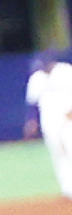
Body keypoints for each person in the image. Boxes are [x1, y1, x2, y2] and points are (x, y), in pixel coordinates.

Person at [25, 48, 72, 200]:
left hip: (68, 118)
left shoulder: (66, 71)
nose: (43, 67)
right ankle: (67, 189)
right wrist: (31, 121)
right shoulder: (36, 78)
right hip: (49, 121)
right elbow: (32, 103)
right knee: (57, 153)